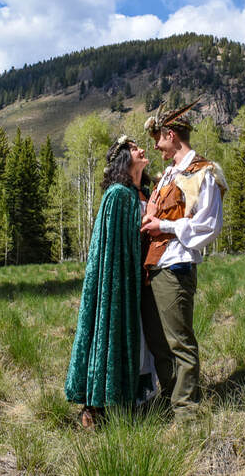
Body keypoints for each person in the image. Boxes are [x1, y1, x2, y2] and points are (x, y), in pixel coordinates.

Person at [140, 101, 226, 420]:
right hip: (154, 267)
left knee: (179, 342)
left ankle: (187, 410)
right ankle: (171, 398)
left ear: (172, 135)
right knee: (157, 340)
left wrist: (164, 225)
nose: (156, 145)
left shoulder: (204, 172)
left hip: (175, 267)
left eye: (158, 138)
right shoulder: (168, 176)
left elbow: (208, 226)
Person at [64, 135, 156, 429]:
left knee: (140, 340)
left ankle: (130, 402)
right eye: (134, 148)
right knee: (112, 332)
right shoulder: (117, 195)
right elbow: (116, 246)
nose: (142, 150)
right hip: (118, 283)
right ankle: (99, 405)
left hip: (140, 281)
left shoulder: (140, 193)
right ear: (124, 160)